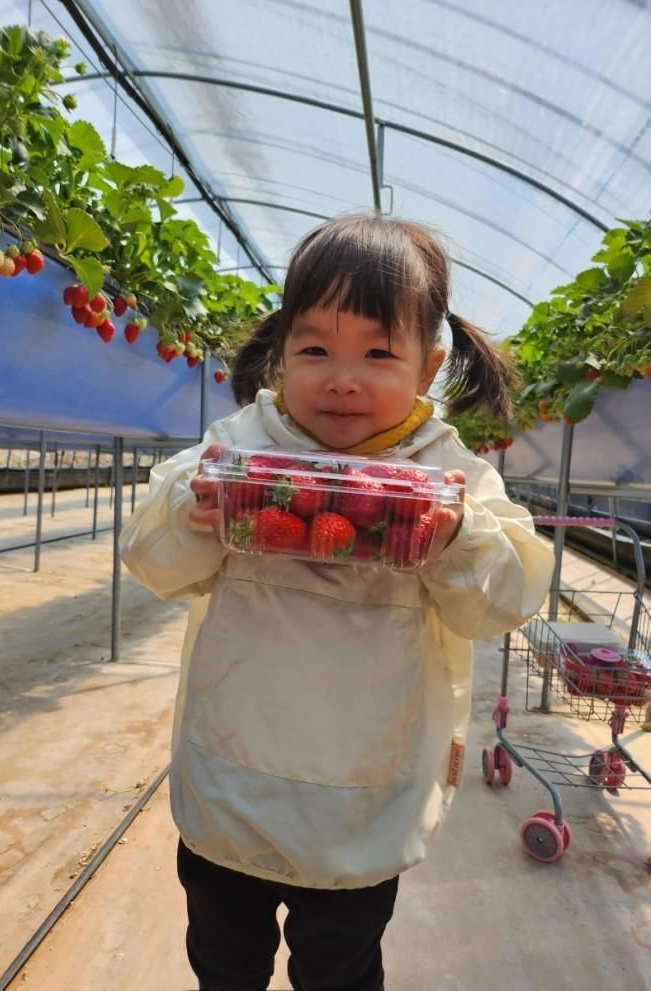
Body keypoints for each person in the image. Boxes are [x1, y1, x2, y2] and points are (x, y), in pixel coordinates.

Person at [121, 215, 554, 991]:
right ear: (282, 349)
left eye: (377, 353)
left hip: (365, 794)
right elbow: (151, 557)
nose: (341, 377)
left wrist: (454, 537)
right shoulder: (241, 442)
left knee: (340, 969)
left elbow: (509, 593)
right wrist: (195, 507)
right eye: (314, 348)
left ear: (429, 365)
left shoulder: (451, 473)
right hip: (234, 778)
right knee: (223, 963)